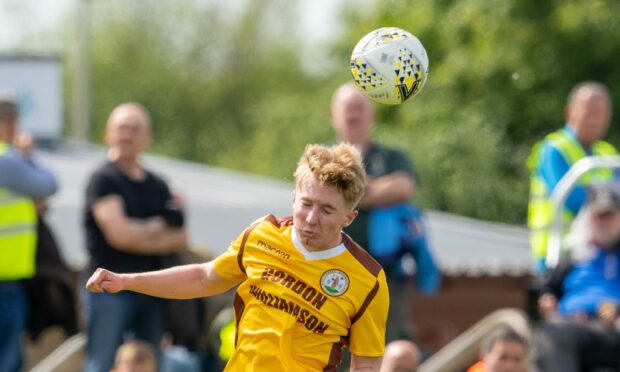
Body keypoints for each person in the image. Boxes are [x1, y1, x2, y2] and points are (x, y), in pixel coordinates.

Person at [86, 143, 390, 371]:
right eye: (306, 203)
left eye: (326, 210)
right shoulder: (262, 235)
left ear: (348, 218)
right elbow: (204, 277)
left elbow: (366, 365)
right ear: (294, 197)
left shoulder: (367, 279)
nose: (311, 218)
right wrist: (126, 280)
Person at [330, 82, 440, 343]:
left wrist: (348, 192)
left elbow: (404, 187)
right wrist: (375, 189)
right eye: (347, 109)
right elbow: (315, 198)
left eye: (359, 108)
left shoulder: (392, 157)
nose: (353, 115)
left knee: (387, 352)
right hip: (331, 277)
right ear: (333, 116)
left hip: (385, 279)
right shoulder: (321, 158)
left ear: (373, 116)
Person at [83, 102, 189, 372]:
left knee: (150, 362)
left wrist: (138, 232)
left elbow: (181, 238)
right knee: (102, 361)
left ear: (147, 137)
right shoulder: (103, 180)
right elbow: (121, 236)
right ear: (108, 133)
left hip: (150, 286)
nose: (127, 135)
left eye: (134, 129)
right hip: (108, 290)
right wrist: (158, 224)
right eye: (121, 128)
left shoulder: (158, 184)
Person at [527, 81, 617, 272]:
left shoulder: (607, 154)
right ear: (570, 113)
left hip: (603, 255)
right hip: (559, 255)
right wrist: (607, 202)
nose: (595, 120)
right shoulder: (554, 150)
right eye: (589, 112)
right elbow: (572, 200)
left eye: (600, 114)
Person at [0, 94, 59, 372]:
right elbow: (48, 184)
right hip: (5, 284)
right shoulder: (6, 161)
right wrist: (30, 156)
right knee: (9, 362)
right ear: (10, 123)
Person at [534, 182, 620, 371]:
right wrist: (545, 299)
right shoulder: (574, 256)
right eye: (598, 216)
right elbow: (544, 287)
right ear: (589, 219)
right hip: (569, 327)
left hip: (613, 330)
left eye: (609, 216)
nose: (603, 222)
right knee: (551, 332)